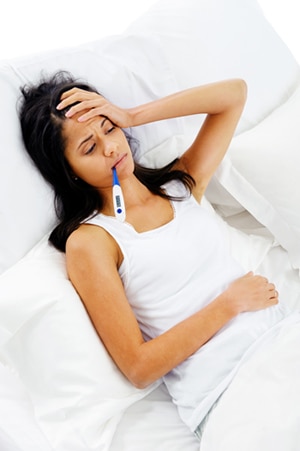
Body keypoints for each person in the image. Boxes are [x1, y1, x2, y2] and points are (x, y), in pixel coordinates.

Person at [19, 70, 295, 442]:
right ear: (70, 173)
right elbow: (138, 366)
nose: (111, 147)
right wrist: (228, 305)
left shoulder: (180, 184)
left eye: (109, 127)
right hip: (229, 389)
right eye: (88, 147)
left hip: (281, 339)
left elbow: (234, 94)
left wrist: (132, 115)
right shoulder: (92, 241)